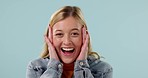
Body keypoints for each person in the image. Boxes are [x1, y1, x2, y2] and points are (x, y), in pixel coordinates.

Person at [26, 6, 113, 78]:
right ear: (50, 37)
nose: (67, 42)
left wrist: (81, 66)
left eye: (74, 34)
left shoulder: (103, 70)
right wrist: (54, 66)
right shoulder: (35, 68)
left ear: (84, 36)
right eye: (59, 34)